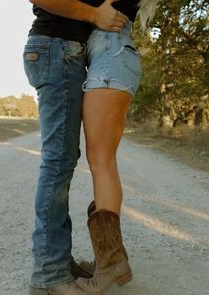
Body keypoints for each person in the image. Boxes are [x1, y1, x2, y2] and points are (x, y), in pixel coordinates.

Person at [23, 0, 128, 294]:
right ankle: (49, 274)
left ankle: (57, 259)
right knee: (57, 161)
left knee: (63, 159)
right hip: (57, 48)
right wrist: (95, 14)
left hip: (60, 50)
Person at [74, 0, 159, 294]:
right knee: (100, 159)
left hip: (111, 52)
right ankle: (107, 260)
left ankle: (111, 263)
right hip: (111, 52)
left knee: (102, 160)